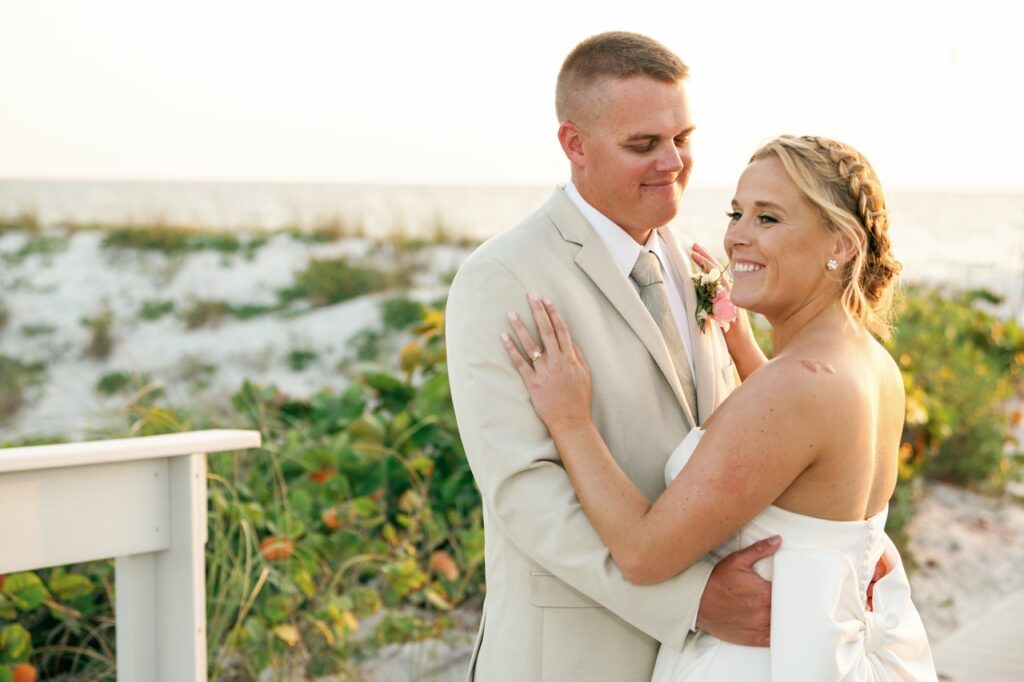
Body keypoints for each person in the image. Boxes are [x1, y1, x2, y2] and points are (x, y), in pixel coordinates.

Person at [501, 134, 938, 680]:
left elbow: (642, 554)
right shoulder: (870, 365)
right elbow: (801, 462)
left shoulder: (796, 386)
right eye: (737, 213)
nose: (737, 237)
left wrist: (571, 420)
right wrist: (746, 348)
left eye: (769, 219)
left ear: (841, 245)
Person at [446, 32, 779, 682]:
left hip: (704, 660)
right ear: (575, 144)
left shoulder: (696, 261)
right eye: (643, 145)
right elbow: (525, 495)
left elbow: (738, 438)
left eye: (683, 137)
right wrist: (694, 600)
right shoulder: (503, 277)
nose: (674, 162)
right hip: (572, 654)